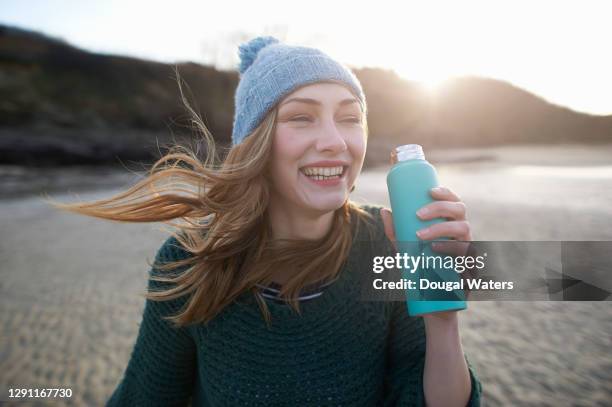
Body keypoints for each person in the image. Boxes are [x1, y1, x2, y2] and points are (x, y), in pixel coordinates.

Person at [51, 36, 482, 406]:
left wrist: (442, 321)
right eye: (301, 117)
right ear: (255, 143)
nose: (335, 141)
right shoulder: (188, 263)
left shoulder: (387, 246)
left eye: (350, 118)